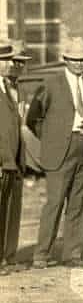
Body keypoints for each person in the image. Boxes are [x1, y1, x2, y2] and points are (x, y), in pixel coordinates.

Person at [28, 37, 83, 268]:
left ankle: (73, 254)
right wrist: (52, 138)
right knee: (55, 203)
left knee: (79, 204)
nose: (79, 64)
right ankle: (41, 254)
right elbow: (34, 118)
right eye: (75, 59)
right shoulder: (51, 84)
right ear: (66, 60)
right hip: (59, 152)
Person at [0, 42, 27, 276]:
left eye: (10, 59)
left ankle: (7, 257)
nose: (9, 64)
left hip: (13, 161)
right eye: (5, 60)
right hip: (1, 162)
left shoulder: (9, 88)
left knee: (9, 212)